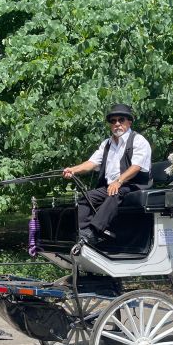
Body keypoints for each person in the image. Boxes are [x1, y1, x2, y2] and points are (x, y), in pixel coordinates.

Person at [62, 103, 152, 245]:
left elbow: (136, 167)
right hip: (111, 185)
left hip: (133, 184)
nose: (117, 124)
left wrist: (119, 181)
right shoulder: (107, 144)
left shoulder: (139, 141)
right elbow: (91, 163)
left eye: (121, 120)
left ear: (129, 122)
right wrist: (73, 170)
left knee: (114, 194)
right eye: (113, 121)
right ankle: (81, 231)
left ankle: (95, 233)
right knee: (86, 198)